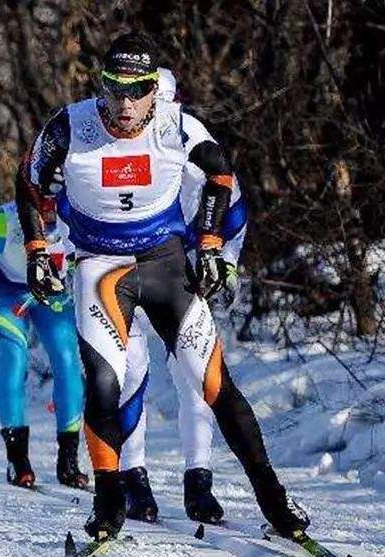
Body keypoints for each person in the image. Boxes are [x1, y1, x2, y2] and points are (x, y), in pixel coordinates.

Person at [14, 32, 309, 540]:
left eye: (137, 91)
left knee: (214, 383)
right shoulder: (71, 124)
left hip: (165, 264)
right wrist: (38, 250)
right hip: (101, 267)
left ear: (155, 89)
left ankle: (275, 501)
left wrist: (213, 245)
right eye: (114, 90)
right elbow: (29, 180)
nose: (125, 105)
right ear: (101, 86)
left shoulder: (178, 126)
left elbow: (221, 176)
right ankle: (108, 501)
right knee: (106, 381)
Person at [117, 67, 247, 524]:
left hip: (184, 273)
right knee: (130, 370)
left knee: (195, 377)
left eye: (168, 109)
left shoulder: (194, 144)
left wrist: (226, 266)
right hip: (128, 269)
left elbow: (234, 215)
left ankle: (199, 483)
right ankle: (133, 481)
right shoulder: (119, 149)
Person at [0, 201, 89, 490]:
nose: (50, 217)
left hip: (51, 291)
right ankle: (18, 460)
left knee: (67, 361)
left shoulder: (76, 215)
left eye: (55, 209)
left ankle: (69, 460)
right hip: (5, 290)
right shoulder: (4, 226)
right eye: (41, 211)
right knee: (15, 358)